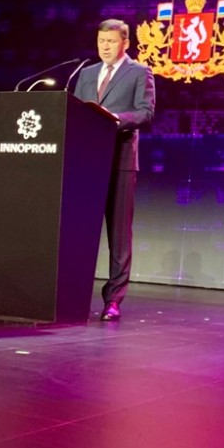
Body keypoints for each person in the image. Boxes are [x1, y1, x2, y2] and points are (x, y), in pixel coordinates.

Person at [74, 19, 155, 321]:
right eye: (101, 41)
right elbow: (76, 111)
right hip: (86, 163)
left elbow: (146, 113)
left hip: (120, 161)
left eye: (111, 41)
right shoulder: (86, 73)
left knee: (119, 236)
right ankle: (73, 292)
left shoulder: (140, 72)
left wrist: (114, 118)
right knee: (79, 230)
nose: (105, 47)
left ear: (125, 43)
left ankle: (113, 300)